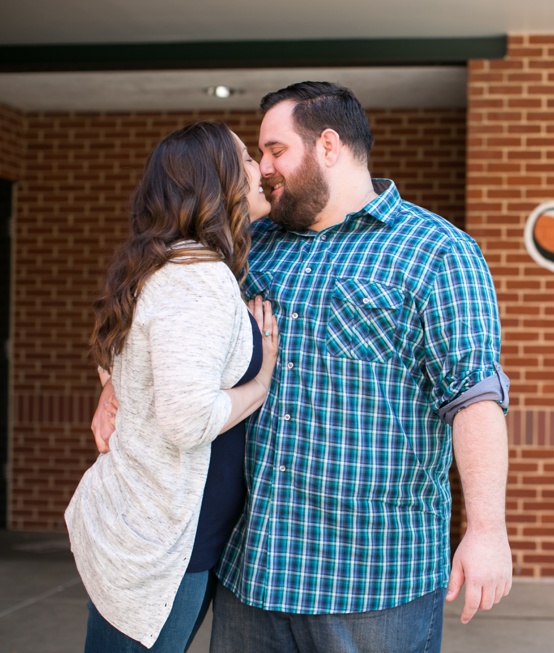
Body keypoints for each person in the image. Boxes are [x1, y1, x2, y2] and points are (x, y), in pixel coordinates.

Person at [92, 82, 513, 652]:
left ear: (329, 145)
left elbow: (474, 396)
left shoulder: (437, 251)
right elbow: (159, 316)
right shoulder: (247, 244)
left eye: (274, 150)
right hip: (252, 571)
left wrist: (487, 530)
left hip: (373, 579)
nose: (262, 168)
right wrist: (115, 388)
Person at [69, 121, 279, 652]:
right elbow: (185, 420)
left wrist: (112, 388)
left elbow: (134, 356)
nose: (260, 169)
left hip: (161, 530)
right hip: (165, 546)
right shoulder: (197, 275)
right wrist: (261, 382)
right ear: (217, 180)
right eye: (247, 159)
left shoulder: (173, 264)